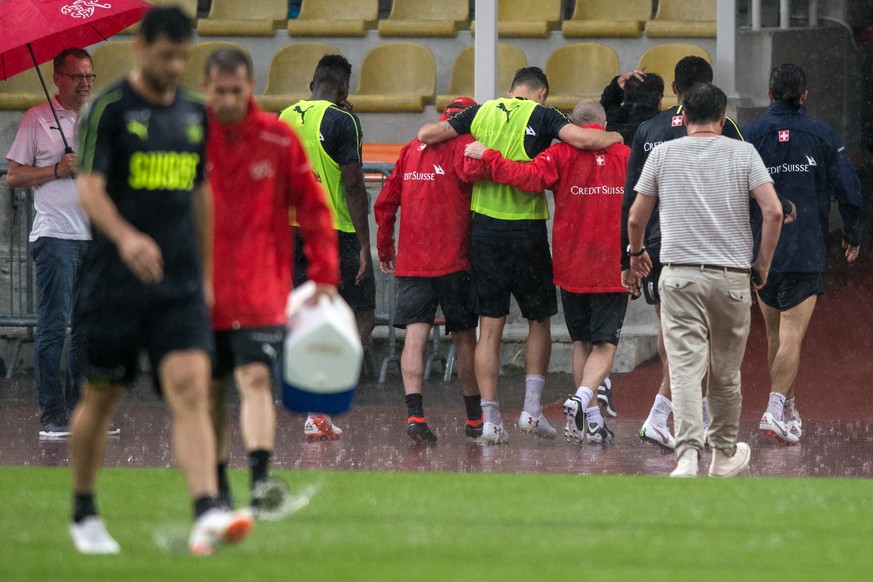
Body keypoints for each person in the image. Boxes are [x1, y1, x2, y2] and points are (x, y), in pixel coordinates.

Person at [68, 6, 253, 555]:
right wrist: (126, 238)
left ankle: (205, 512)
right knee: (101, 398)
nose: (175, 66)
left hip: (179, 287)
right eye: (166, 54)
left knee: (192, 389)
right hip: (114, 283)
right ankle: (84, 511)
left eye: (183, 56)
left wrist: (208, 278)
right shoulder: (109, 109)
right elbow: (89, 190)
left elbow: (201, 197)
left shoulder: (195, 115)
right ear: (141, 48)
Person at [418, 67, 623, 445]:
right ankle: (531, 410)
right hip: (526, 229)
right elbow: (585, 140)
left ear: (511, 89)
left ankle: (491, 418)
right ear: (541, 93)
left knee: (490, 325)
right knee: (538, 320)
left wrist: (473, 149)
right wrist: (614, 133)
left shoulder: (481, 111)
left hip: (485, 230)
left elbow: (427, 134)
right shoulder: (542, 114)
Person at [203, 47, 339, 516]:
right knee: (212, 387)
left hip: (261, 283)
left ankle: (260, 481)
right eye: (219, 91)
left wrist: (324, 273)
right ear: (207, 90)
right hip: (203, 286)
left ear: (251, 87)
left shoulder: (279, 140)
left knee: (256, 376)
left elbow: (314, 207)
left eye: (235, 91)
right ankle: (219, 485)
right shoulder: (189, 139)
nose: (227, 100)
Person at [627, 83, 783, 477]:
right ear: (721, 116)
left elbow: (635, 216)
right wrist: (761, 263)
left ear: (682, 114)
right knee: (726, 372)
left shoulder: (662, 154)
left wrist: (635, 251)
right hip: (730, 277)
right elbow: (774, 212)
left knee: (683, 369)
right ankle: (724, 454)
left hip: (678, 276)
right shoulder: (743, 152)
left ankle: (686, 456)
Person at [464, 100, 630, 446]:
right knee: (606, 343)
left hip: (570, 266)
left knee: (582, 342)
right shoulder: (626, 156)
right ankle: (583, 399)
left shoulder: (560, 156)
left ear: (572, 124)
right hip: (612, 265)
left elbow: (525, 177)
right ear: (604, 121)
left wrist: (489, 156)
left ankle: (592, 421)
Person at [621, 56, 746, 452]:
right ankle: (670, 414)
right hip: (703, 245)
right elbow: (747, 191)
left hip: (656, 244)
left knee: (675, 330)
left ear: (674, 89)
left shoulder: (648, 129)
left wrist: (629, 254)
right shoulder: (727, 131)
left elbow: (632, 200)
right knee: (700, 337)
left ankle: (687, 414)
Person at [743, 64, 863, 444]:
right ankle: (775, 406)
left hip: (762, 250)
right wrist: (853, 232)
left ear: (769, 94)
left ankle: (788, 409)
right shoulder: (823, 135)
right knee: (791, 334)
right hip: (805, 246)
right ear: (805, 96)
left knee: (774, 334)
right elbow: (849, 188)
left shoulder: (749, 136)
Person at [5, 48, 104, 439]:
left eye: (89, 77)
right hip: (55, 236)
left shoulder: (96, 121)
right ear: (57, 77)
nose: (84, 83)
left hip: (93, 236)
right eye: (77, 76)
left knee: (87, 329)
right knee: (52, 327)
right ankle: (52, 416)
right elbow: (13, 176)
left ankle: (80, 412)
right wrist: (55, 169)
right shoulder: (35, 118)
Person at [374, 97, 482, 445]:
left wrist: (385, 248)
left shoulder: (410, 150)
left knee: (414, 338)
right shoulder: (466, 145)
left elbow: (385, 202)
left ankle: (415, 415)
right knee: (465, 338)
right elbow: (477, 175)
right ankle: (475, 418)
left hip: (413, 262)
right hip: (456, 261)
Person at [279, 55, 373, 441]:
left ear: (311, 82)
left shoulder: (284, 116)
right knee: (363, 313)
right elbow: (353, 185)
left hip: (291, 230)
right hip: (334, 232)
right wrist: (365, 244)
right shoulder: (343, 120)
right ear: (343, 89)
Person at [600, 69, 665, 144]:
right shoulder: (664, 124)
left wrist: (615, 88)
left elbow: (601, 114)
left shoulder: (608, 123)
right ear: (659, 98)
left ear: (626, 95)